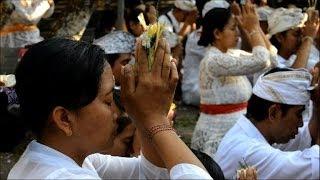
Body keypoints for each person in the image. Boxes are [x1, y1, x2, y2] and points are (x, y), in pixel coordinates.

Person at [8, 38, 212, 179]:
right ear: (64, 119)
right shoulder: (63, 175)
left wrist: (141, 115)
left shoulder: (67, 157)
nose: (117, 114)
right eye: (107, 102)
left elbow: (149, 173)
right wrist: (156, 118)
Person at [190, 1, 277, 157]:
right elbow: (261, 60)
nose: (237, 33)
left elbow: (270, 59)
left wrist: (255, 28)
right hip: (217, 136)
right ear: (217, 33)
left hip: (236, 132)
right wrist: (252, 29)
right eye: (232, 28)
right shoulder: (213, 60)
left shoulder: (231, 54)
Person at [215, 67, 320, 179]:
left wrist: (317, 106)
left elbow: (310, 133)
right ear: (273, 113)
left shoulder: (254, 131)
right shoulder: (250, 151)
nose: (300, 124)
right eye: (298, 114)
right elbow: (316, 164)